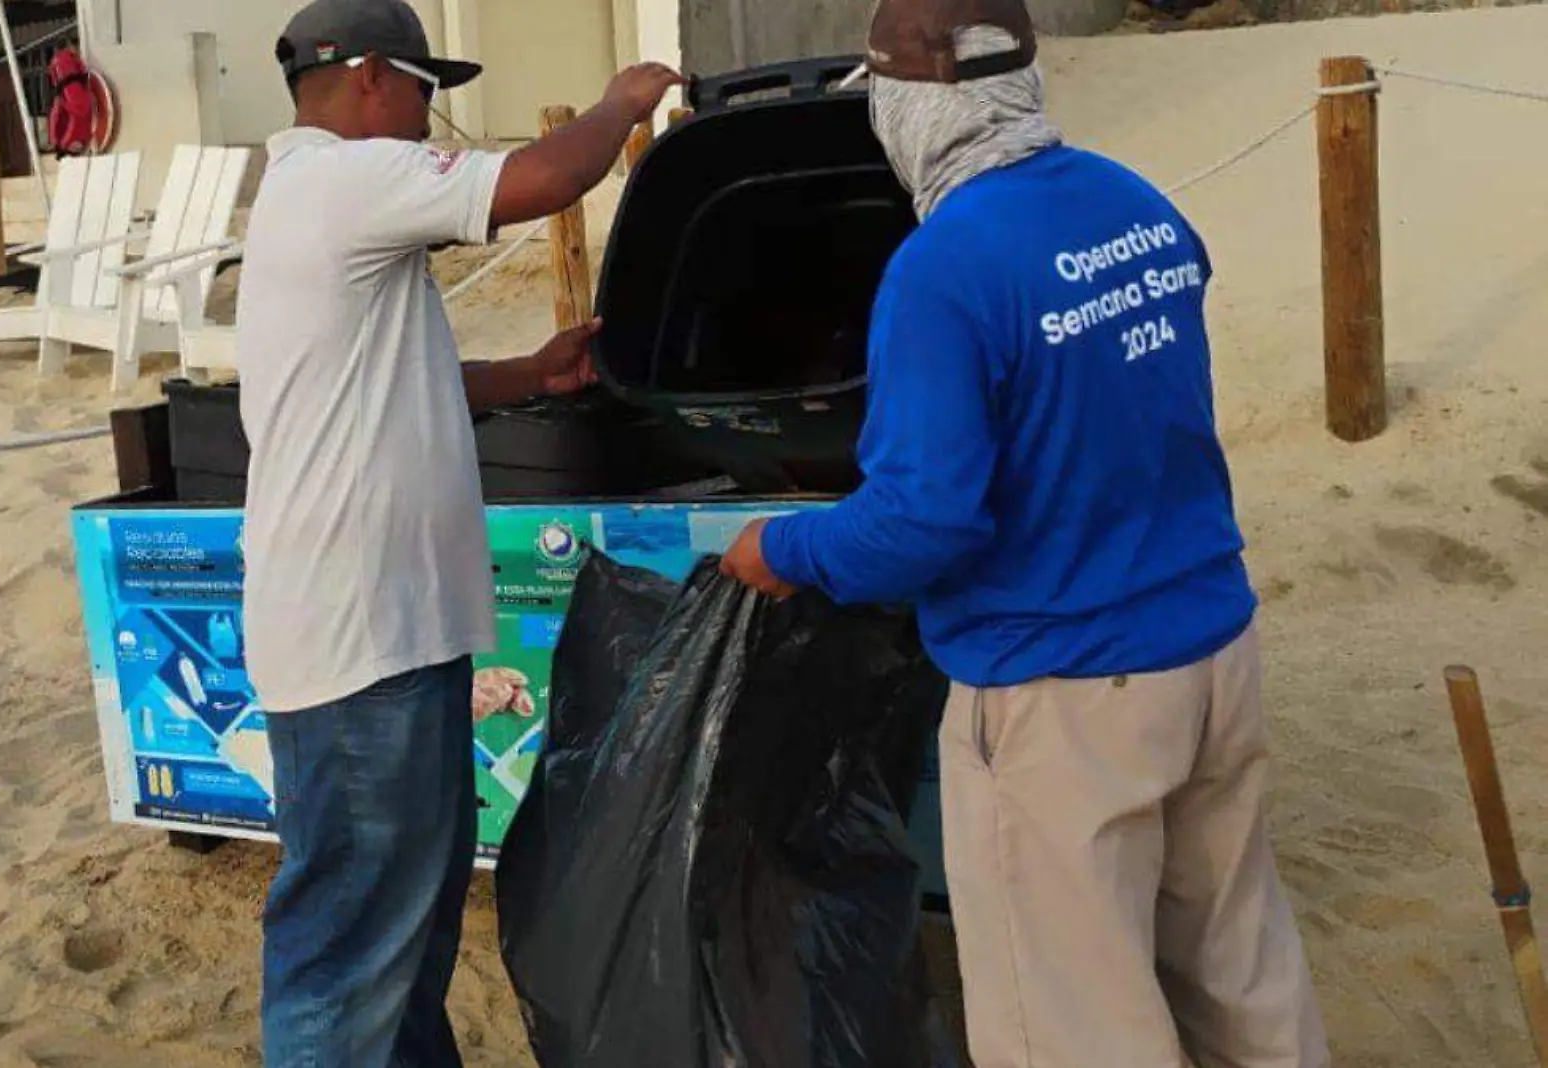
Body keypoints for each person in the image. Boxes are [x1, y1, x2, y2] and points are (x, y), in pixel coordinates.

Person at [719, 2, 1332, 1065]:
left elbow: (924, 520)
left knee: (1072, 1025)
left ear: (912, 109)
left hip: (1064, 692)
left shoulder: (941, 268)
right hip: (1212, 658)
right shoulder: (1132, 202)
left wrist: (784, 551)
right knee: (1240, 976)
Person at [235, 1, 682, 1065]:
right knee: (348, 956)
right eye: (427, 90)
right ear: (374, 79)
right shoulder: (342, 180)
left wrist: (527, 375)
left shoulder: (324, 203)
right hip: (358, 644)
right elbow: (537, 182)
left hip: (390, 635)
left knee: (402, 945)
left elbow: (380, 378)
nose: (434, 116)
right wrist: (623, 102)